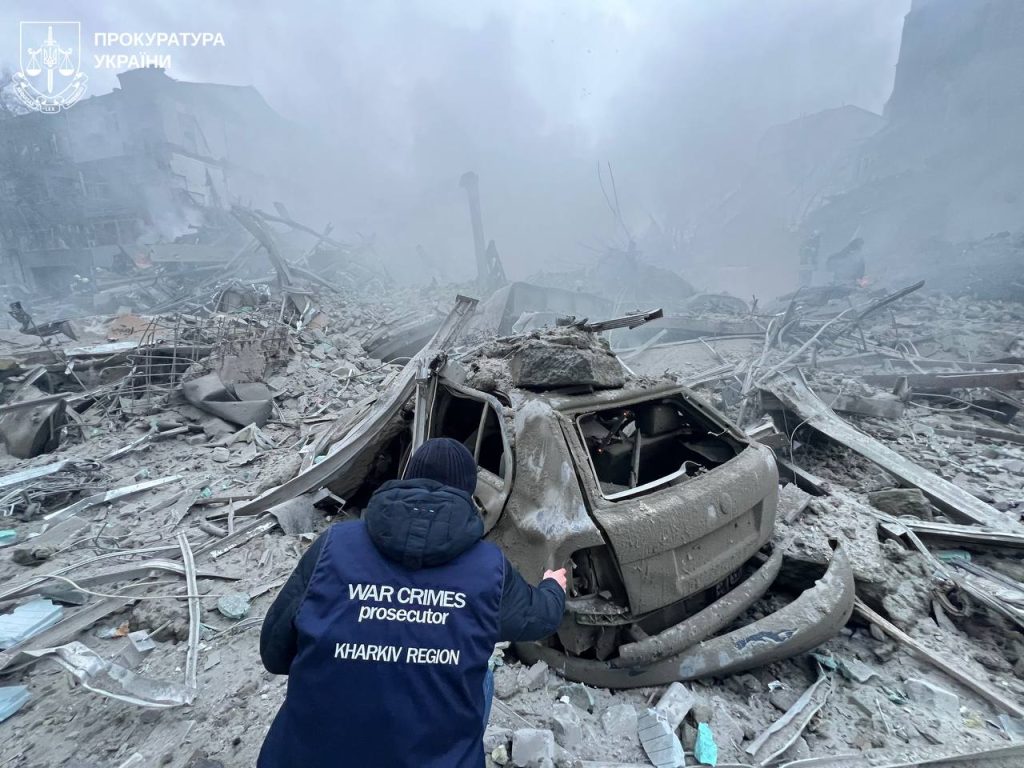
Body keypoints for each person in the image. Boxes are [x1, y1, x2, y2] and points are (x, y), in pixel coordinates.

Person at [258, 437, 568, 768]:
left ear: (407, 479)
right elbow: (540, 617)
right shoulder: (487, 568)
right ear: (469, 494)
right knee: (483, 674)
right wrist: (553, 586)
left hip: (304, 758)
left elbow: (274, 655)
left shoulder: (334, 545)